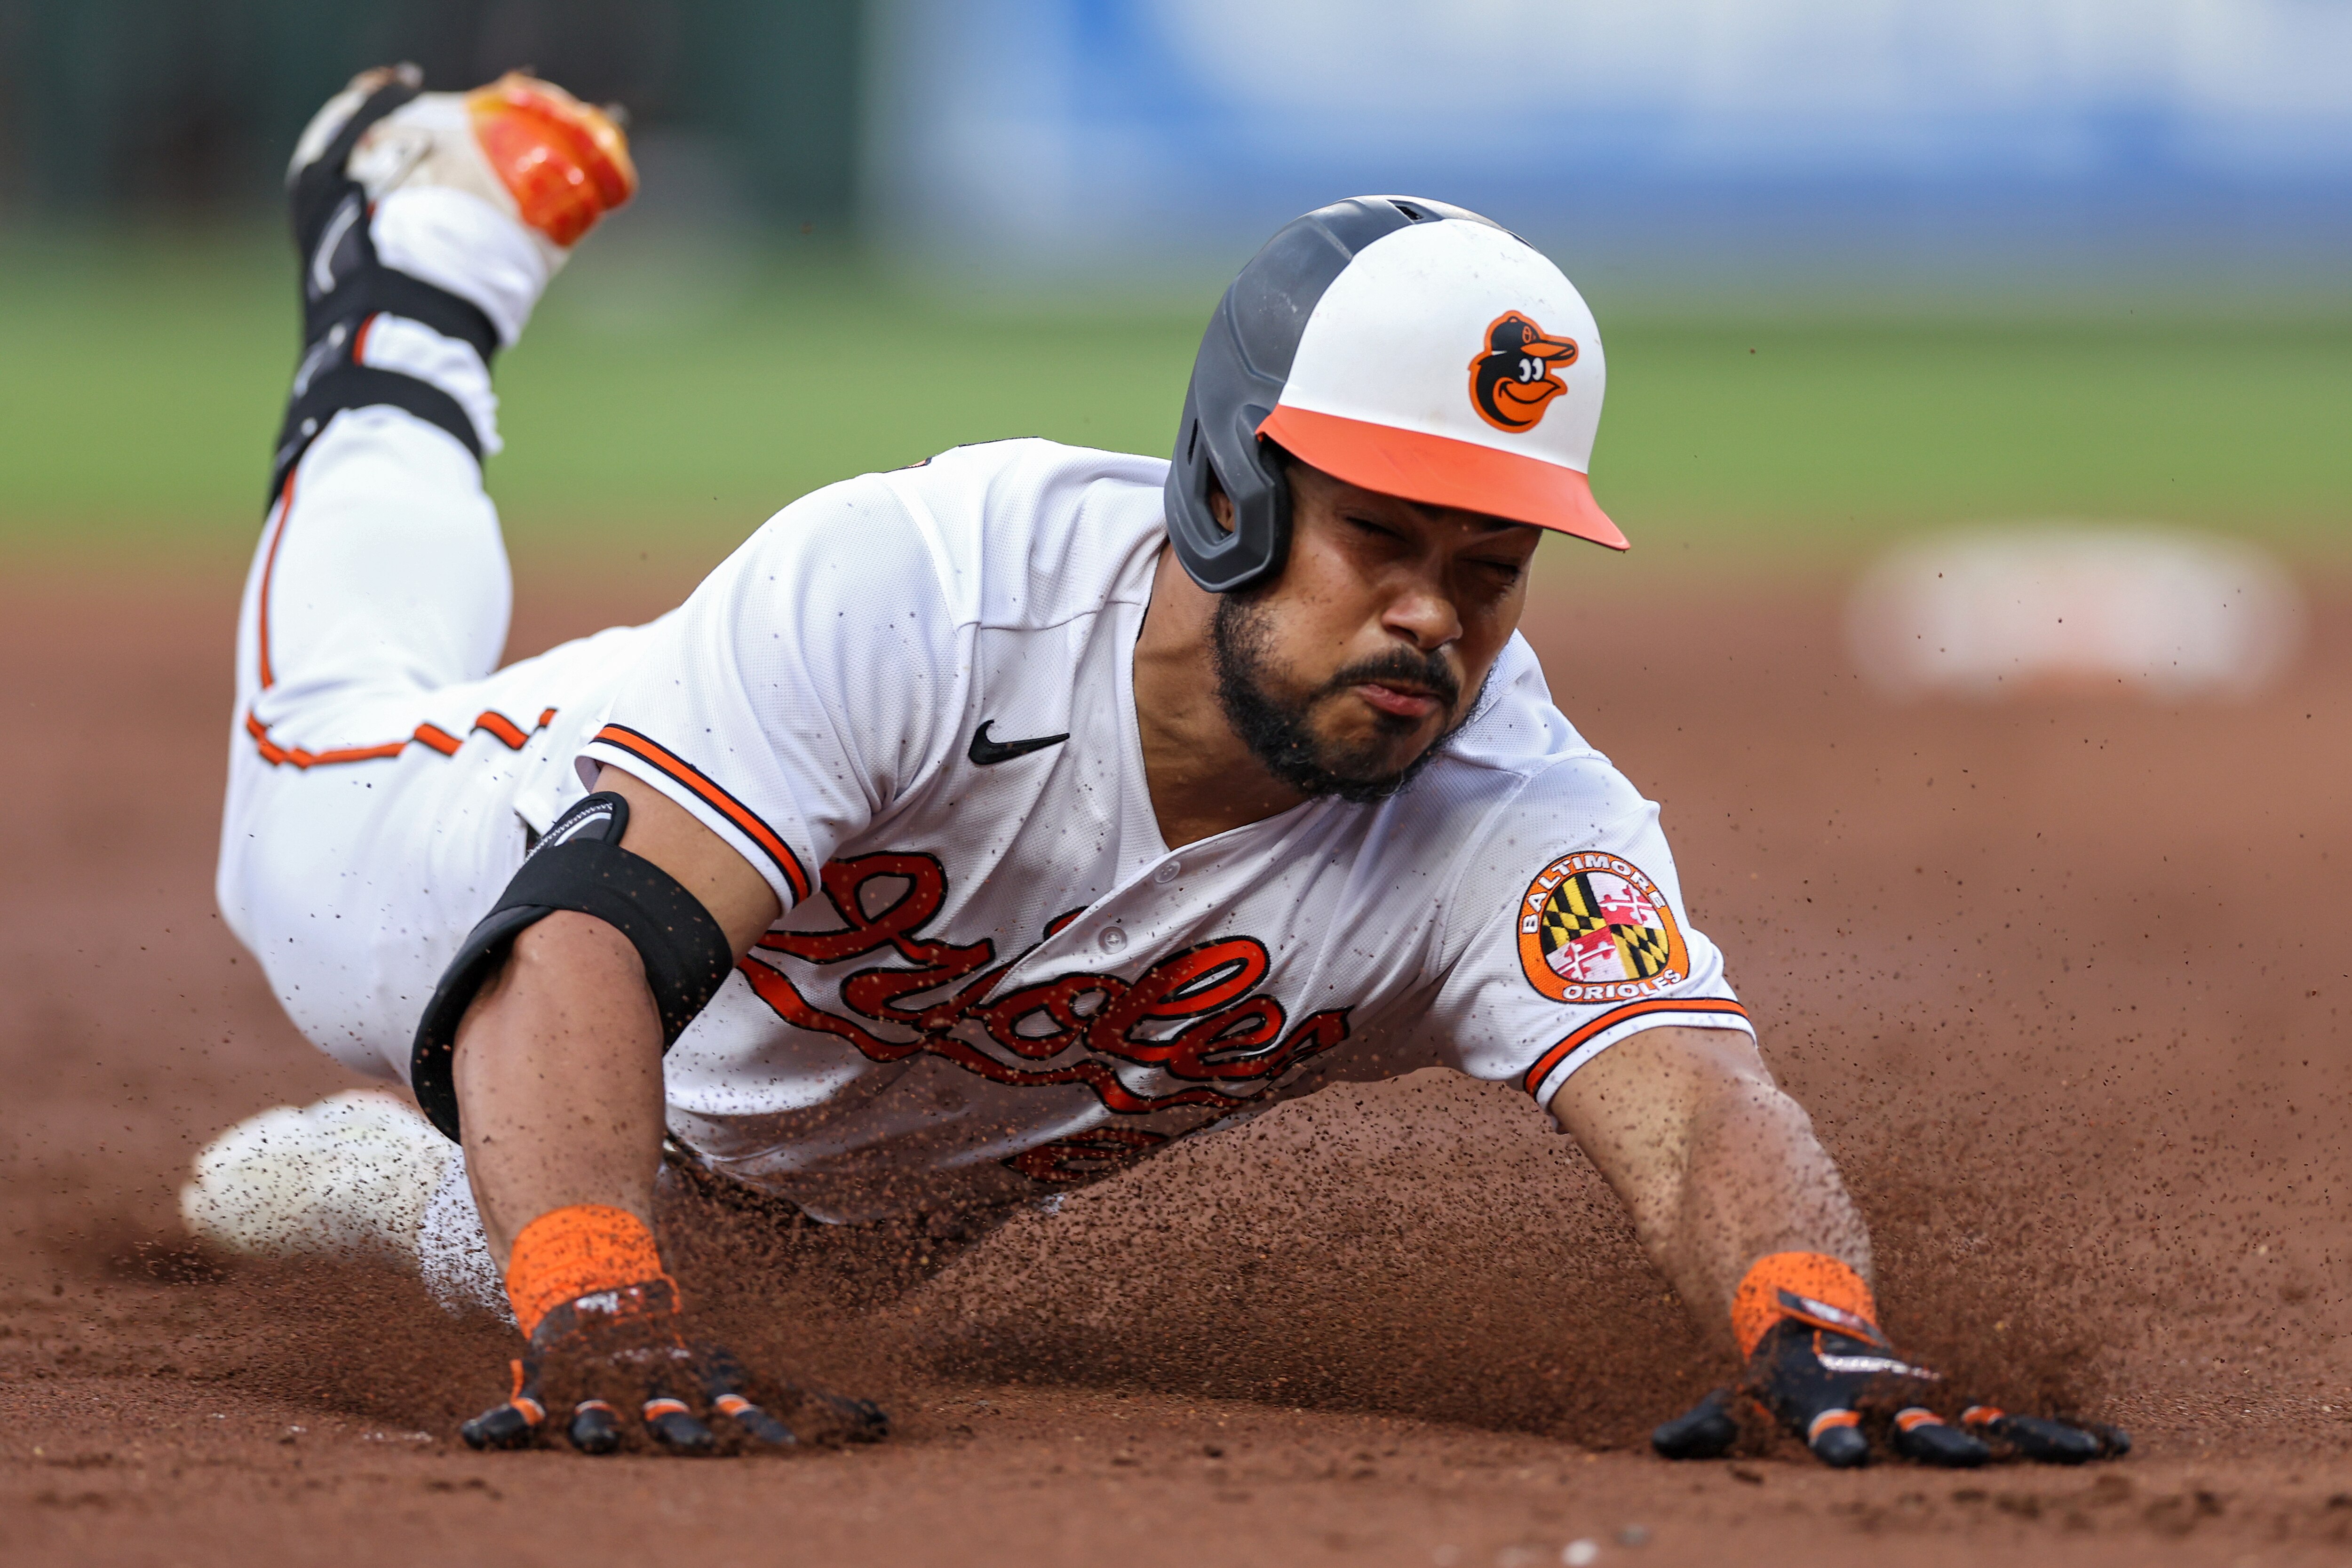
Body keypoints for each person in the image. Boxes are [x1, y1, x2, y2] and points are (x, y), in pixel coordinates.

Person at [186, 64, 2123, 1467]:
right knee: (315, 756)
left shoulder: (1507, 817)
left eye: (1488, 564)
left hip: (779, 1187)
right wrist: (597, 1295)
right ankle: (424, 268)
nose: (1434, 618)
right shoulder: (928, 587)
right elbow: (579, 948)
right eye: (1385, 536)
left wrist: (1813, 1319)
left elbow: (1692, 1098)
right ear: (1224, 487)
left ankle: (430, 1196)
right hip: (488, 865)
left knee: (694, 1256)